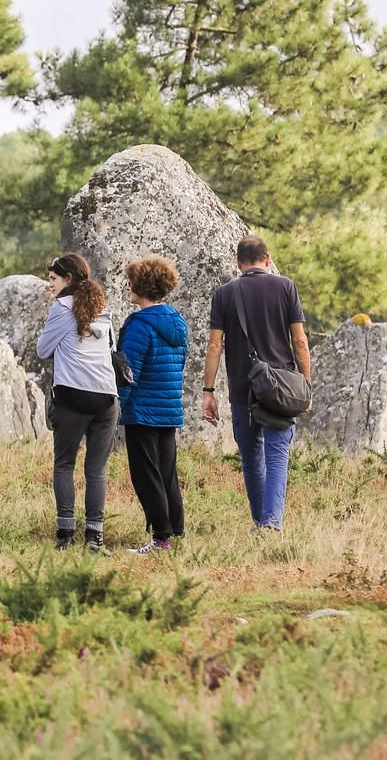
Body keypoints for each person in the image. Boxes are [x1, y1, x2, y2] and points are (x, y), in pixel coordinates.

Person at [202, 236, 312, 532]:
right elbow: (299, 341)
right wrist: (306, 384)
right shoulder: (285, 286)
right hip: (280, 388)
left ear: (239, 264)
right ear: (268, 258)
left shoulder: (224, 294)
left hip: (242, 388)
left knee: (251, 459)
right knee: (277, 456)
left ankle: (261, 522)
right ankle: (270, 522)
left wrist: (208, 391)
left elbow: (215, 346)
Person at [35, 253, 118, 554]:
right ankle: (95, 538)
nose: (51, 284)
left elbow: (43, 349)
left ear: (67, 279)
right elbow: (111, 348)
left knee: (64, 465)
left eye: (54, 279)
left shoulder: (60, 307)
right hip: (107, 397)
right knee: (96, 470)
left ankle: (65, 535)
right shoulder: (102, 307)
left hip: (73, 395)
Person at [115, 257, 188, 554]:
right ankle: (176, 531)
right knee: (167, 473)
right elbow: (179, 365)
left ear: (140, 286)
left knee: (146, 475)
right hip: (169, 409)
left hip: (143, 410)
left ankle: (161, 538)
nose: (128, 287)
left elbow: (128, 374)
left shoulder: (139, 326)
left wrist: (121, 406)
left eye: (131, 282)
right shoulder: (177, 322)